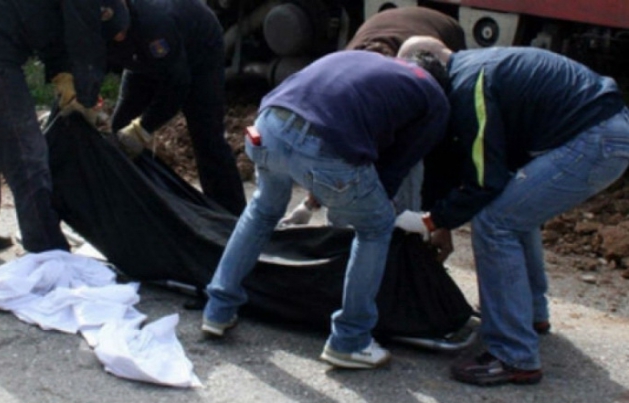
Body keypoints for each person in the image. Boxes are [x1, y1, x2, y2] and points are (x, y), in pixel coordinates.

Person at [396, 36, 629, 386]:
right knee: (515, 210)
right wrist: (440, 215)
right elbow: (481, 167)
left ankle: (512, 353)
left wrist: (431, 220)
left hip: (594, 139)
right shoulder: (480, 67)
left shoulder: (469, 83)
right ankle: (530, 315)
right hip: (606, 130)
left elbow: (484, 181)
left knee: (495, 222)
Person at [202, 49, 450, 369]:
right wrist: (385, 208)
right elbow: (397, 166)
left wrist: (316, 197)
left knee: (263, 210)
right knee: (376, 227)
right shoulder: (434, 96)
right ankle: (351, 340)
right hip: (319, 145)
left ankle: (217, 309)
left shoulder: (364, 58)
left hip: (267, 128)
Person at [0, 0, 127, 257]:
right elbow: (84, 39)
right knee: (26, 152)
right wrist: (86, 96)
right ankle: (47, 251)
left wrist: (62, 75)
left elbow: (52, 29)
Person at [279, 6, 465, 232]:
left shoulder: (412, 78)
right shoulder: (351, 69)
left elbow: (407, 155)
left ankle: (405, 238)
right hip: (395, 28)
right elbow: (335, 145)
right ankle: (348, 237)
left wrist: (380, 207)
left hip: (442, 33)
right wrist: (310, 203)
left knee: (413, 152)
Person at [105, 0, 246, 216]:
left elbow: (177, 87)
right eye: (114, 35)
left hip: (198, 53)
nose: (119, 37)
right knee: (119, 131)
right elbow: (89, 66)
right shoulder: (94, 24)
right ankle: (136, 206)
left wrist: (144, 127)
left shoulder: (155, 23)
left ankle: (231, 214)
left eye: (121, 31)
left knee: (206, 136)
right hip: (142, 60)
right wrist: (86, 99)